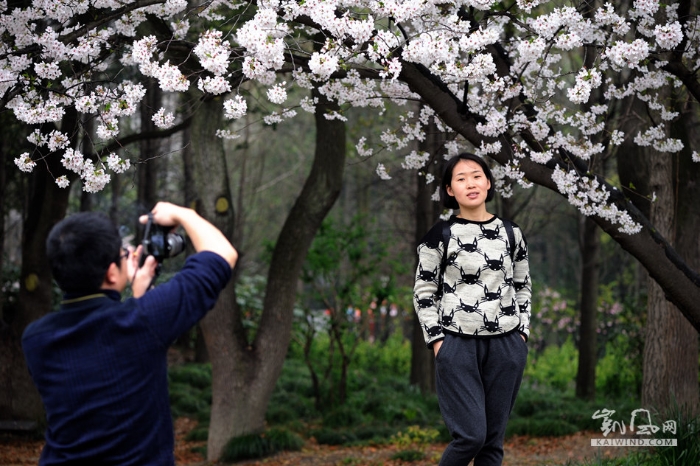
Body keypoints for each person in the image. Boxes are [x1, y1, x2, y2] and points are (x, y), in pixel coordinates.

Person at [22, 202, 238, 465]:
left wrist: (136, 296)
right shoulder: (145, 322)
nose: (129, 256)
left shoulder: (35, 339)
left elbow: (102, 365)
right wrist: (184, 214)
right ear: (111, 272)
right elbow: (222, 254)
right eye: (124, 254)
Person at [413, 153, 531, 466]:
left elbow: (523, 286)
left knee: (492, 444)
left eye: (476, 175)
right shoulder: (439, 236)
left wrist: (523, 333)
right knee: (471, 437)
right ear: (450, 190)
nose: (470, 183)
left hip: (507, 344)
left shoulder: (511, 233)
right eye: (461, 178)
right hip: (456, 342)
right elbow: (423, 291)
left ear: (488, 182)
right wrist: (438, 341)